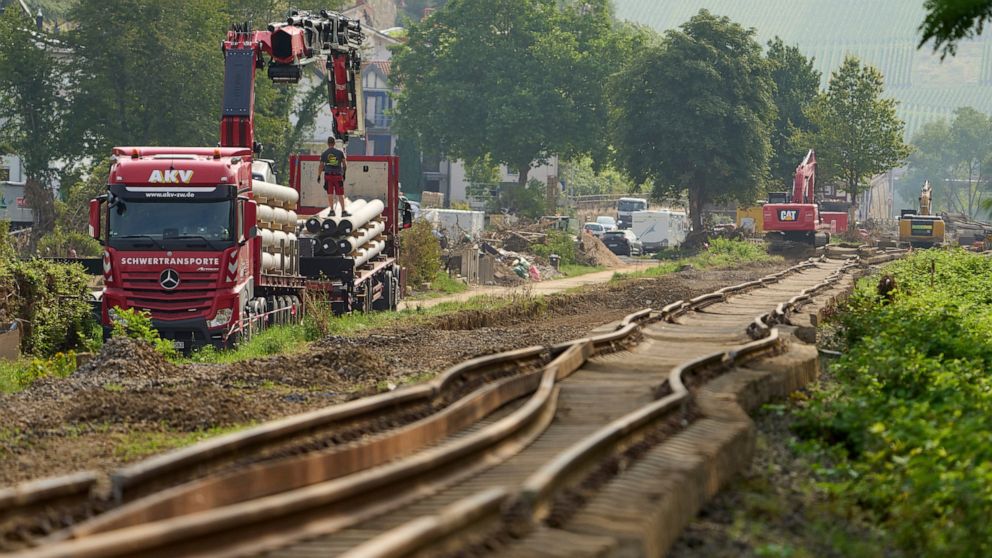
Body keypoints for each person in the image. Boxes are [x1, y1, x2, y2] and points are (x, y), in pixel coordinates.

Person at [318, 136, 348, 217]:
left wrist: (319, 176)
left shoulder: (324, 153)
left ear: (328, 144)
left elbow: (321, 166)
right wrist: (344, 174)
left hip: (328, 176)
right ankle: (343, 211)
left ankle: (331, 210)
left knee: (330, 193)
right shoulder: (340, 152)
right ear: (334, 143)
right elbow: (345, 164)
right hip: (338, 176)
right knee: (340, 194)